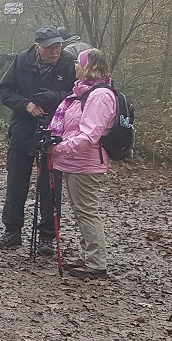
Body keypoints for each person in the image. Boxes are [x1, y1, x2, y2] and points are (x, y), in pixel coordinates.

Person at [0, 26, 77, 254]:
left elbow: (76, 94)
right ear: (38, 46)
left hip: (54, 129)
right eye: (49, 48)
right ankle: (12, 231)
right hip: (23, 127)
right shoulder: (22, 60)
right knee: (16, 182)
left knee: (50, 185)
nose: (54, 52)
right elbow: (4, 90)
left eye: (58, 46)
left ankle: (47, 235)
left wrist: (54, 97)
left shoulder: (68, 62)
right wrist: (25, 104)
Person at [48, 48, 116, 280]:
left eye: (78, 62)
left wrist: (58, 148)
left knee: (87, 211)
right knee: (81, 211)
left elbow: (89, 136)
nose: (74, 66)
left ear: (88, 67)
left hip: (86, 163)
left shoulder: (100, 96)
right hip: (75, 161)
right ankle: (88, 257)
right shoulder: (83, 92)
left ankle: (96, 263)